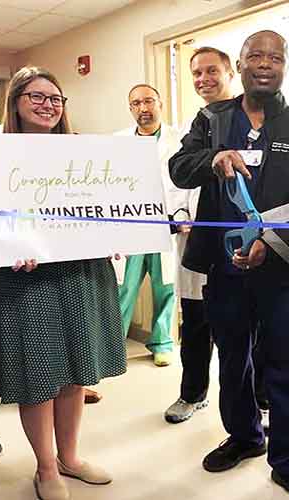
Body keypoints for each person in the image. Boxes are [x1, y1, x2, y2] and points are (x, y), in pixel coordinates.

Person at [169, 31, 289, 500]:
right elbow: (180, 166)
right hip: (226, 268)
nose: (265, 63)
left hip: (284, 271)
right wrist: (211, 158)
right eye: (255, 56)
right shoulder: (213, 119)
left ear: (285, 66)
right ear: (240, 65)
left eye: (275, 57)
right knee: (233, 361)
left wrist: (271, 240)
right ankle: (244, 437)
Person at [0, 66, 126, 500]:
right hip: (27, 281)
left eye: (55, 98)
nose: (47, 105)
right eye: (36, 96)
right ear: (15, 102)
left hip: (81, 275)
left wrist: (117, 235)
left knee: (75, 371)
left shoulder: (85, 154)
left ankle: (71, 458)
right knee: (39, 374)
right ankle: (46, 467)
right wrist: (8, 246)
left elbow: (112, 206)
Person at [164, 47, 233, 424]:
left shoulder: (245, 118)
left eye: (212, 71)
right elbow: (179, 170)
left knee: (241, 328)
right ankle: (192, 394)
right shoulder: (199, 122)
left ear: (230, 73)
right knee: (194, 321)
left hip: (233, 240)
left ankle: (257, 401)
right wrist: (178, 215)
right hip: (192, 239)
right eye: (196, 73)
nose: (203, 79)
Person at [113, 84, 178, 368]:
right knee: (124, 288)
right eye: (136, 103)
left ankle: (162, 342)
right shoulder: (117, 141)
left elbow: (186, 182)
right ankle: (113, 345)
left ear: (160, 103)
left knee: (166, 286)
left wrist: (183, 213)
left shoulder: (179, 139)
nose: (143, 108)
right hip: (131, 225)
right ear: (131, 109)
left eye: (149, 101)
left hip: (166, 223)